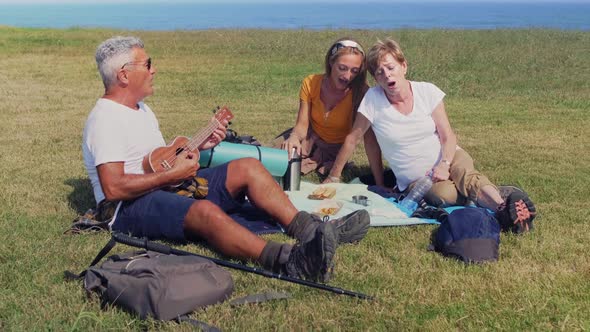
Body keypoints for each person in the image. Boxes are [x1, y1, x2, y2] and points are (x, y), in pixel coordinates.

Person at [82, 36, 370, 283]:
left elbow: (156, 159)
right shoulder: (105, 119)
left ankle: (310, 229)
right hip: (128, 207)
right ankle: (290, 260)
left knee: (248, 167)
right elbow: (114, 188)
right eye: (147, 64)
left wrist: (198, 147)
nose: (153, 69)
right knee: (205, 212)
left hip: (166, 186)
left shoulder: (140, 108)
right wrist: (170, 177)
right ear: (123, 75)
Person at [325, 38, 536, 233]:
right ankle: (497, 194)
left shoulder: (427, 91)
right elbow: (355, 138)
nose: (387, 75)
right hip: (418, 180)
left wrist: (444, 164)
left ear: (403, 66)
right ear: (375, 78)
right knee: (443, 196)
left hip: (448, 156)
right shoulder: (373, 100)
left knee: (463, 171)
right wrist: (335, 176)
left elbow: (448, 135)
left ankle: (503, 210)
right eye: (379, 72)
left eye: (391, 67)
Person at [273, 38, 369, 180]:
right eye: (342, 68)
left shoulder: (361, 93)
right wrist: (293, 137)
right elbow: (302, 125)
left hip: (335, 149)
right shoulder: (311, 83)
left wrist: (335, 174)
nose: (347, 76)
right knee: (268, 157)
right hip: (309, 137)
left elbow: (355, 138)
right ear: (331, 63)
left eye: (354, 71)